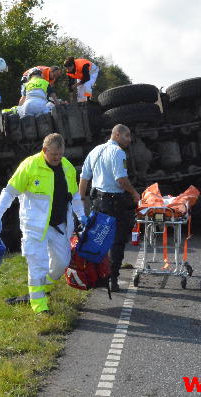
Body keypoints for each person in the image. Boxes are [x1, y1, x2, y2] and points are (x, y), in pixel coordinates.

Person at [0, 133, 86, 314]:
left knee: (62, 263)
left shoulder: (67, 168)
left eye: (60, 154)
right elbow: (9, 192)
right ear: (44, 150)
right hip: (35, 227)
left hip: (59, 227)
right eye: (53, 155)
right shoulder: (30, 166)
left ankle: (43, 287)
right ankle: (39, 306)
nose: (57, 158)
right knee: (37, 264)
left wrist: (81, 215)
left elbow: (74, 196)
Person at [79, 124, 141, 292]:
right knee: (117, 241)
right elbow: (121, 180)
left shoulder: (95, 151)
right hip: (114, 202)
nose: (129, 139)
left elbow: (84, 177)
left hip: (97, 201)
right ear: (117, 135)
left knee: (99, 240)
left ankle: (97, 277)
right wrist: (135, 193)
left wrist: (81, 200)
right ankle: (113, 279)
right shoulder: (118, 153)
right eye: (127, 136)